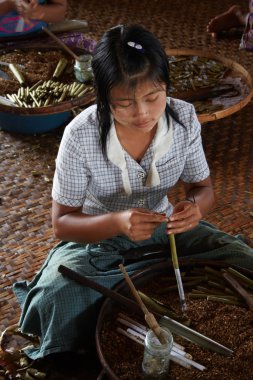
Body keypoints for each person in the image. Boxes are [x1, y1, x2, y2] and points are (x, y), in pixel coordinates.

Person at [13, 24, 253, 361]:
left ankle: (128, 286)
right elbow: (63, 224)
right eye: (123, 103)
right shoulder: (80, 135)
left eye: (153, 98)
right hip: (98, 238)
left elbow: (203, 189)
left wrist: (194, 208)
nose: (142, 113)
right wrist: (118, 221)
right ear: (102, 96)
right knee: (57, 295)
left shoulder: (183, 118)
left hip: (165, 229)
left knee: (244, 260)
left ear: (166, 86)